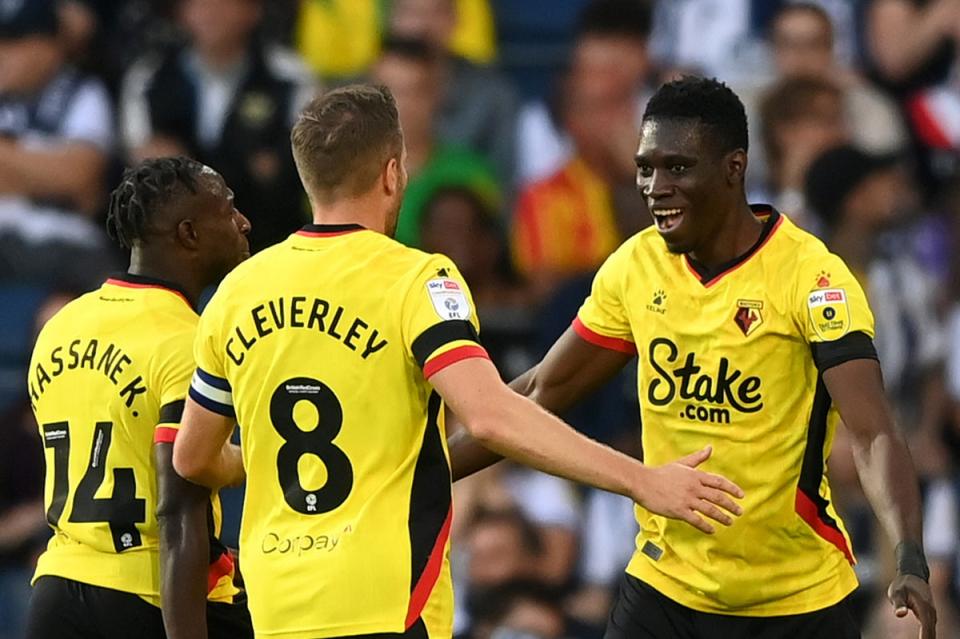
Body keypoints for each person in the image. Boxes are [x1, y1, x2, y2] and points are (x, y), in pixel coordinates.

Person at [171, 84, 744, 639]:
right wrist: (643, 481)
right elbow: (491, 417)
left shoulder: (236, 293)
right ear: (393, 172)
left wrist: (267, 456)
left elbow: (194, 458)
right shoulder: (416, 279)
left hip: (275, 604)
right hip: (387, 601)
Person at [450, 76, 937, 639]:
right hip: (666, 589)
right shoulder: (637, 266)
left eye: (677, 167)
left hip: (796, 601)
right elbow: (539, 393)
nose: (655, 187)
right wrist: (422, 472)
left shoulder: (811, 278)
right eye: (645, 167)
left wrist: (909, 556)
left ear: (734, 168)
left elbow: (874, 432)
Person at [25, 157, 254, 639]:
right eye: (229, 209)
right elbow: (179, 508)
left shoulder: (61, 325)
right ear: (189, 234)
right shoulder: (189, 341)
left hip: (55, 594)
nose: (243, 222)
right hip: (152, 596)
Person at [120, 0, 317, 253]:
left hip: (268, 242)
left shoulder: (291, 78)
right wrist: (248, 166)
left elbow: (290, 166)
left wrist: (185, 168)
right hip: (176, 246)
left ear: (252, 11)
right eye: (198, 3)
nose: (211, 12)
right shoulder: (149, 78)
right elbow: (145, 167)